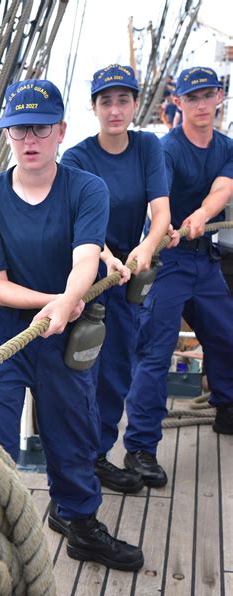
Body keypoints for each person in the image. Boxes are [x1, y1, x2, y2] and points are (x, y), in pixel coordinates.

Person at [0, 79, 144, 571]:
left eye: (41, 128)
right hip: (4, 336)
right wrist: (58, 302)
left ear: (61, 130)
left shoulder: (87, 188)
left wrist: (66, 306)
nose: (30, 140)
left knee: (73, 431)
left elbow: (87, 257)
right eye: (19, 129)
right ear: (6, 136)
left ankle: (78, 521)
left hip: (63, 335)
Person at [61, 64, 171, 492]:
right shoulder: (78, 158)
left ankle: (100, 456)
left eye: (122, 99)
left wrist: (146, 245)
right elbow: (78, 222)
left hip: (128, 278)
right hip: (87, 274)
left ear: (135, 104)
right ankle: (76, 461)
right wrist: (107, 256)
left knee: (116, 372)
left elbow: (160, 211)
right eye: (105, 101)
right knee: (80, 375)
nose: (114, 109)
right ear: (93, 107)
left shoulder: (147, 148)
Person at [124, 66, 233, 485]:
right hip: (168, 263)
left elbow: (223, 190)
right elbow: (159, 200)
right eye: (193, 98)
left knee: (225, 335)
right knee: (155, 352)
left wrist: (202, 217)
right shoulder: (166, 150)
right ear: (179, 104)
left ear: (218, 98)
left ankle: (226, 407)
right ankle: (140, 448)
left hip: (204, 260)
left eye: (208, 96)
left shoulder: (225, 147)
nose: (201, 105)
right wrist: (165, 227)